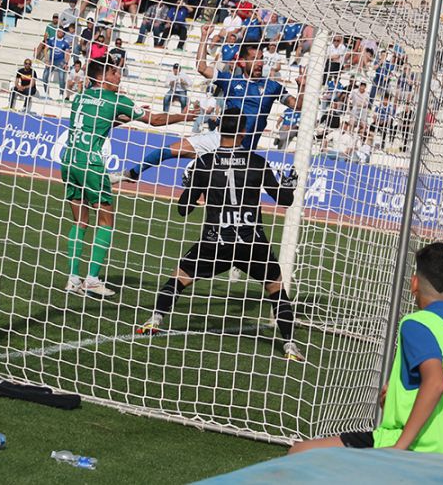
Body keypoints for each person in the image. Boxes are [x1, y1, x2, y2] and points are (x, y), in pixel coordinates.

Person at [290, 242, 443, 454]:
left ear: (413, 284)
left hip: (423, 446)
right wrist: (394, 401)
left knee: (300, 451)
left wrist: (398, 448)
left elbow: (437, 382)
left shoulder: (417, 323)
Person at [135, 109, 303, 353]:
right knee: (275, 287)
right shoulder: (257, 162)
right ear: (244, 132)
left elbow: (184, 209)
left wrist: (190, 185)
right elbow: (284, 200)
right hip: (251, 241)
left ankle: (155, 319)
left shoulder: (204, 162)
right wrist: (290, 185)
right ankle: (289, 344)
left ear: (219, 129)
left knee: (180, 276)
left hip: (216, 241)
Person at [62, 60, 196, 296]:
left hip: (69, 160)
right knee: (106, 221)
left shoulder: (80, 97)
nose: (119, 77)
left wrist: (127, 117)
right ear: (102, 76)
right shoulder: (117, 100)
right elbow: (154, 120)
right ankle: (92, 279)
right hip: (91, 163)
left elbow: (101, 120)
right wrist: (183, 116)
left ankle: (73, 278)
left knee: (80, 221)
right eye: (115, 73)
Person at [112, 25, 303, 183]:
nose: (260, 63)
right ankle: (132, 174)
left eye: (261, 58)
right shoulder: (230, 81)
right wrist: (204, 36)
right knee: (167, 150)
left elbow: (298, 105)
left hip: (242, 150)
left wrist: (302, 87)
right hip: (219, 139)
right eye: (254, 59)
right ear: (242, 62)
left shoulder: (272, 86)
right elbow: (202, 67)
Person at [42, 28, 70, 95]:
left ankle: (61, 93)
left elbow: (67, 53)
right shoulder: (52, 39)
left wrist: (66, 63)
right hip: (52, 60)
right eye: (59, 31)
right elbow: (45, 50)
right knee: (45, 75)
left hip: (61, 61)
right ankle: (46, 92)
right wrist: (46, 60)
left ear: (63, 33)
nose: (60, 33)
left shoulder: (65, 42)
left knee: (61, 77)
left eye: (61, 32)